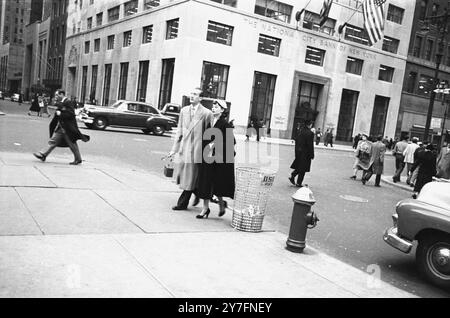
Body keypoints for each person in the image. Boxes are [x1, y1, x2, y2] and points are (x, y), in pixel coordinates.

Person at [168, 88, 213, 211]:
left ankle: (182, 203)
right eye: (191, 94)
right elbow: (179, 130)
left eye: (195, 94)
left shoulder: (207, 113)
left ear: (201, 98)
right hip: (184, 148)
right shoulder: (184, 111)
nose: (191, 96)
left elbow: (210, 134)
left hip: (196, 150)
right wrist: (174, 149)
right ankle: (198, 194)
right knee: (186, 177)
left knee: (189, 177)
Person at [195, 100, 236, 219]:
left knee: (217, 184)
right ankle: (205, 209)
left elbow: (231, 142)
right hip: (207, 157)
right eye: (213, 106)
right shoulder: (210, 122)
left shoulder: (225, 124)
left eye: (216, 106)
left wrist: (216, 143)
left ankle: (221, 204)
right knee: (206, 183)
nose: (213, 108)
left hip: (218, 159)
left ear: (222, 110)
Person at [33, 90, 90, 165]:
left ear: (62, 94)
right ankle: (43, 154)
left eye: (57, 95)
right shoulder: (61, 103)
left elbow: (71, 114)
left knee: (72, 143)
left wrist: (61, 114)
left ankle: (78, 159)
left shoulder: (68, 102)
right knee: (53, 141)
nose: (56, 97)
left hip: (68, 128)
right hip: (61, 127)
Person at [289, 120, 315, 187]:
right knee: (303, 169)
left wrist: (297, 152)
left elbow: (296, 141)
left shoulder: (300, 131)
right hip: (306, 153)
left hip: (299, 152)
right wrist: (312, 154)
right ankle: (298, 183)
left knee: (300, 166)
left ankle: (293, 175)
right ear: (310, 125)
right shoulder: (310, 133)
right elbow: (310, 145)